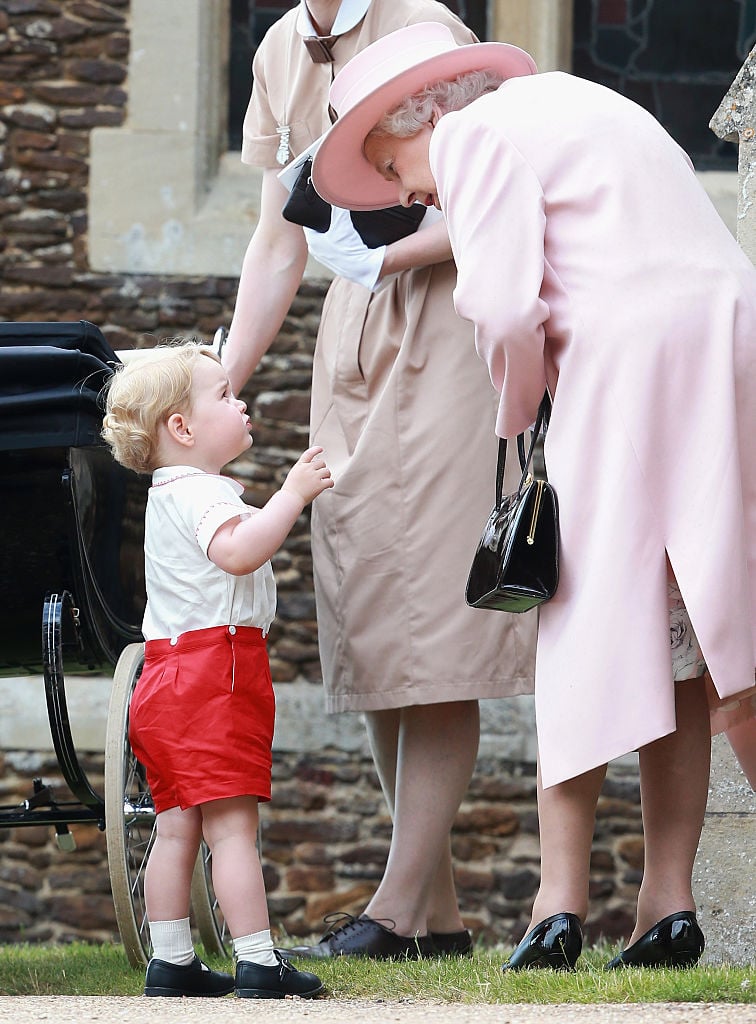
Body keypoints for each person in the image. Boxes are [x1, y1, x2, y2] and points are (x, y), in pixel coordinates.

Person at [311, 21, 756, 970]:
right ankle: (666, 908)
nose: (404, 193)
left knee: (585, 619)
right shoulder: (589, 102)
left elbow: (508, 308)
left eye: (390, 169)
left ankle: (557, 908)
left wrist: (519, 415)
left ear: (415, 118)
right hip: (728, 346)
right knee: (689, 635)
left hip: (625, 366)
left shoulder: (474, 135)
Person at [222, 0, 537, 958]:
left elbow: (495, 195)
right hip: (353, 343)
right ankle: (435, 918)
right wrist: (213, 387)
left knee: (434, 621)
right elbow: (281, 235)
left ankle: (396, 913)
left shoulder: (426, 26)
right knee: (376, 625)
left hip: (445, 324)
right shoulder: (281, 46)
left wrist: (385, 253)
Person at [101, 343, 332, 997]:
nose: (242, 403)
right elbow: (237, 552)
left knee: (176, 827)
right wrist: (291, 496)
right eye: (226, 395)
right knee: (232, 828)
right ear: (182, 428)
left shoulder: (168, 492)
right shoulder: (204, 492)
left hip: (164, 677)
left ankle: (171, 960)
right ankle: (258, 959)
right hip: (214, 675)